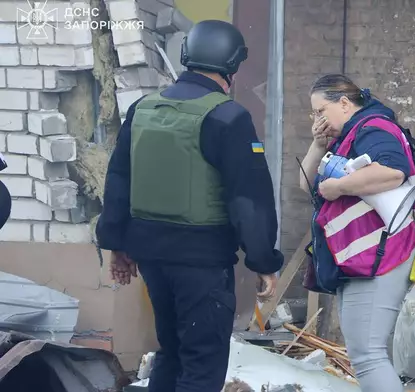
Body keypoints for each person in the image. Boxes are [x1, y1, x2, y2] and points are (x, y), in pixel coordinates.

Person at [95, 20, 284, 392]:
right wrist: (263, 260)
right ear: (232, 65)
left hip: (150, 258)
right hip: (201, 263)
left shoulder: (143, 109)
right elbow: (249, 197)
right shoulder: (229, 117)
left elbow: (118, 181)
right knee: (202, 362)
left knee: (173, 351)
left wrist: (117, 245)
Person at [298, 74, 415, 392]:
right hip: (361, 256)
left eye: (320, 111)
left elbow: (394, 171)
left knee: (367, 356)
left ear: (344, 103)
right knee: (368, 353)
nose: (317, 119)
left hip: (379, 255)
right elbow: (307, 185)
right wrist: (317, 144)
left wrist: (340, 185)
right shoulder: (350, 135)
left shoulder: (374, 128)